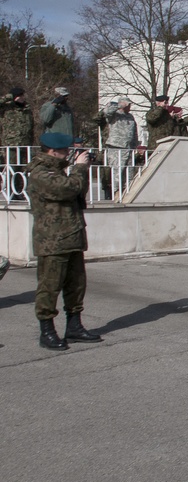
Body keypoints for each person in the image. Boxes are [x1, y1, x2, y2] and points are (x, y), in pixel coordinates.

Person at [25, 132, 103, 350]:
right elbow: (66, 189)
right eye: (66, 150)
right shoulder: (40, 173)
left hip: (72, 236)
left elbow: (79, 192)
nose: (69, 153)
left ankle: (74, 326)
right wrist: (79, 168)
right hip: (53, 240)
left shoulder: (60, 172)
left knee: (76, 285)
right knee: (49, 287)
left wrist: (81, 171)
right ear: (53, 151)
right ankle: (47, 331)